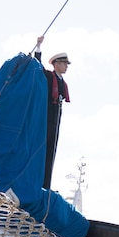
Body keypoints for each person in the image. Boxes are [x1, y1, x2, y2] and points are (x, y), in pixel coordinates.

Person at [34, 36, 71, 190]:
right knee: (40, 149)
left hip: (56, 120)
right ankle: (36, 182)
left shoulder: (63, 83)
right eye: (64, 64)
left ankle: (45, 186)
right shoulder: (49, 77)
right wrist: (38, 47)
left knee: (51, 151)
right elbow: (37, 67)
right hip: (46, 117)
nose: (66, 66)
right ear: (56, 64)